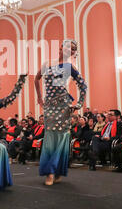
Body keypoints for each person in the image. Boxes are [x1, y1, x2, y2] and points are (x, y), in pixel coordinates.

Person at [35, 40, 87, 185]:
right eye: (69, 47)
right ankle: (50, 172)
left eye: (73, 49)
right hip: (50, 107)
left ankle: (56, 171)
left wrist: (79, 104)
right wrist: (40, 97)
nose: (71, 50)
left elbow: (83, 86)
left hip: (64, 106)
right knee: (50, 137)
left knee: (62, 138)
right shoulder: (47, 64)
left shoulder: (70, 67)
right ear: (61, 48)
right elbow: (36, 79)